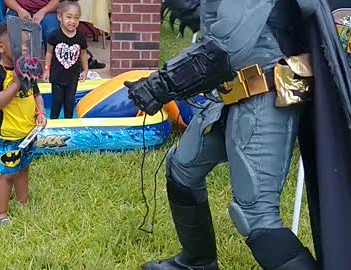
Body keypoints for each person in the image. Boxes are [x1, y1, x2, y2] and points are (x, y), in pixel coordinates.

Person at [125, 0, 325, 269]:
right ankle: (197, 262)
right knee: (182, 169)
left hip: (265, 96)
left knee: (256, 217)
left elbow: (225, 49)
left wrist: (160, 86)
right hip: (231, 93)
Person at [0, 22, 47, 225]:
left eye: (25, 44)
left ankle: (23, 203)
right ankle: (1, 215)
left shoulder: (28, 69)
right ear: (1, 48)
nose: (23, 48)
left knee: (24, 168)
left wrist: (41, 112)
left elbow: (36, 95)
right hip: (8, 135)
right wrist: (15, 83)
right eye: (17, 44)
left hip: (28, 132)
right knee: (8, 174)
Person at [4, 0, 105, 69]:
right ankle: (12, 68)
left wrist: (42, 12)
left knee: (52, 32)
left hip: (47, 11)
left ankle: (57, 67)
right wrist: (20, 10)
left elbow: (56, 2)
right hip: (19, 10)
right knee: (7, 31)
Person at [42, 0, 88, 119]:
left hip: (73, 77)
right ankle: (53, 123)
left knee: (69, 102)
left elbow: (83, 54)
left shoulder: (80, 37)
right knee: (56, 102)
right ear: (59, 17)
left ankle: (69, 124)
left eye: (76, 18)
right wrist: (47, 70)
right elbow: (49, 53)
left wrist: (85, 70)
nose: (72, 21)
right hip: (57, 76)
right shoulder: (54, 35)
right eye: (68, 17)